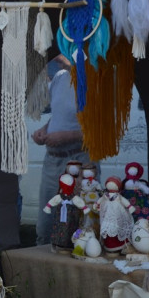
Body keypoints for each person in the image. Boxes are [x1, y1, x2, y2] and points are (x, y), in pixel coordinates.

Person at [32, 55, 96, 245]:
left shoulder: (94, 78)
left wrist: (66, 136)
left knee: (81, 223)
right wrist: (44, 131)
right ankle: (40, 268)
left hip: (80, 159)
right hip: (53, 161)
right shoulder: (60, 78)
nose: (56, 53)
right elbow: (58, 117)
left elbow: (102, 129)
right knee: (45, 224)